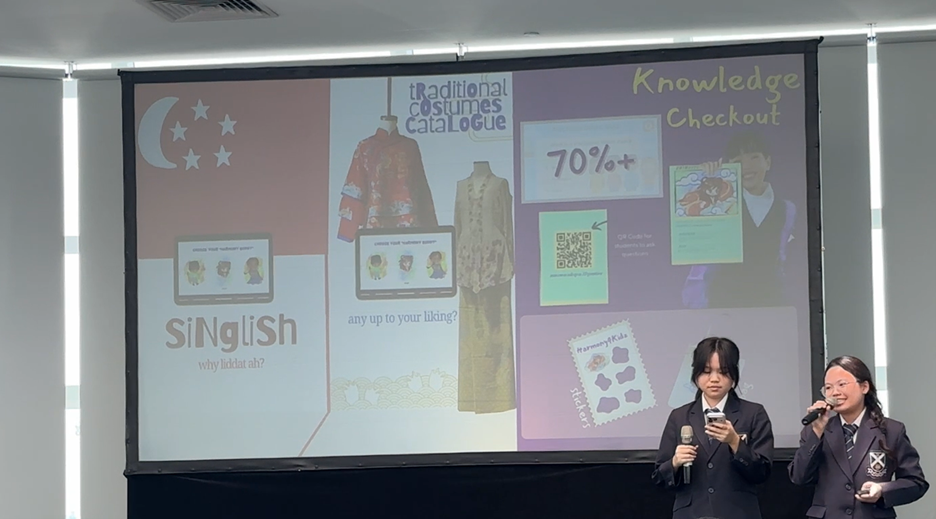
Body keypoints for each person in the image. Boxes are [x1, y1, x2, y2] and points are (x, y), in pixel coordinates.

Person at [789, 356, 928, 518]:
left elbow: (916, 483)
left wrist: (882, 489)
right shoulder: (815, 431)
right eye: (828, 387)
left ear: (864, 387)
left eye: (842, 384)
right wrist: (817, 432)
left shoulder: (892, 430)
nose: (835, 392)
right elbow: (799, 477)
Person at [652, 337, 774, 519]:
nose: (714, 379)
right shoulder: (679, 416)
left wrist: (735, 443)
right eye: (706, 371)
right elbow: (659, 477)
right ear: (695, 374)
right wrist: (676, 462)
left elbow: (762, 473)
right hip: (691, 513)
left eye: (723, 372)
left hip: (737, 512)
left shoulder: (753, 413)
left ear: (734, 374)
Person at [682, 130, 797, 310]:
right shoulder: (720, 205)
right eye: (738, 161)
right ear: (729, 168)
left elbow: (783, 259)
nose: (747, 166)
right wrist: (703, 178)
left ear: (768, 162)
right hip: (722, 304)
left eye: (754, 157)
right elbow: (700, 252)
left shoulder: (787, 209)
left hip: (769, 302)